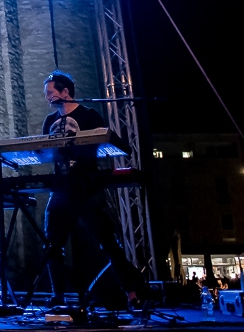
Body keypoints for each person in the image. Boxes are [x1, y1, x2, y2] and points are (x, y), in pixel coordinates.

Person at [41, 71, 147, 308]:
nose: (47, 97)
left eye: (50, 92)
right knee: (53, 244)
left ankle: (132, 294)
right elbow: (44, 151)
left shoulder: (88, 115)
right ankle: (57, 296)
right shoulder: (50, 121)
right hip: (61, 189)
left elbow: (107, 142)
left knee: (108, 242)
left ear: (65, 92)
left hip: (88, 187)